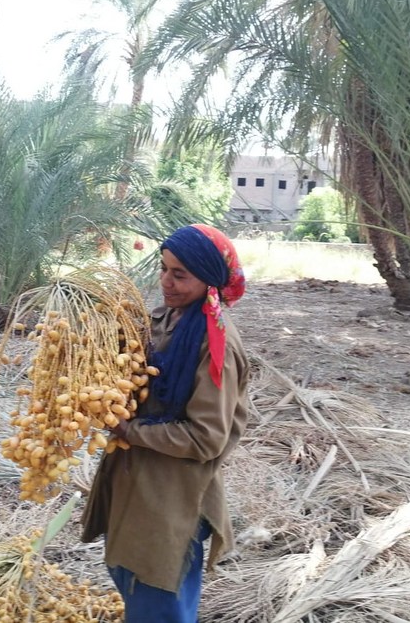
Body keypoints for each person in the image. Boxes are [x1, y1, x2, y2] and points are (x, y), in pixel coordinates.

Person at [81, 224, 250, 622]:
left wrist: (128, 430)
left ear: (208, 280)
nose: (166, 282)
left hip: (172, 493)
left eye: (180, 274)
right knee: (130, 576)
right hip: (135, 480)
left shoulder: (215, 345)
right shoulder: (162, 320)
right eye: (163, 268)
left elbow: (206, 438)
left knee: (157, 593)